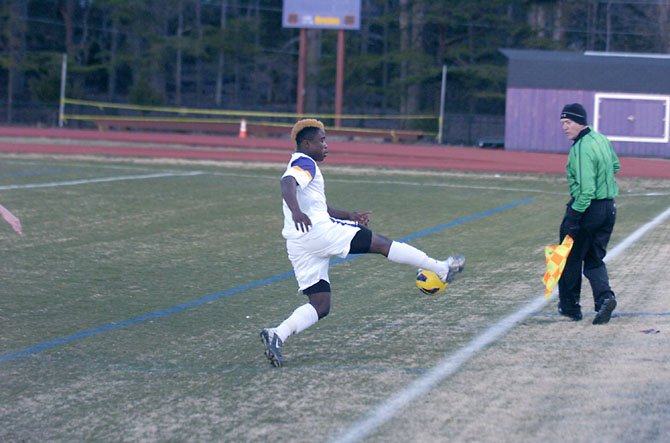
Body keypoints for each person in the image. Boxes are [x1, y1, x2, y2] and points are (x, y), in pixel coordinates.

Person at [260, 119, 465, 367]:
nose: (326, 145)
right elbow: (286, 183)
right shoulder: (305, 162)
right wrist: (295, 211)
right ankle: (441, 268)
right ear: (307, 143)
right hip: (317, 233)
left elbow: (318, 207)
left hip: (299, 241)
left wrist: (348, 216)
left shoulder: (303, 164)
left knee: (320, 304)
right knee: (381, 243)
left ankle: (276, 334)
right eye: (322, 140)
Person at [557, 103, 619, 325]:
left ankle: (570, 307)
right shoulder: (601, 139)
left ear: (580, 121)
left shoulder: (581, 148)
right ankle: (605, 298)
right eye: (562, 123)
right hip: (608, 209)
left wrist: (574, 215)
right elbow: (616, 166)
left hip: (588, 209)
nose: (565, 127)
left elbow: (586, 191)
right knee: (594, 259)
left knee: (568, 257)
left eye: (568, 122)